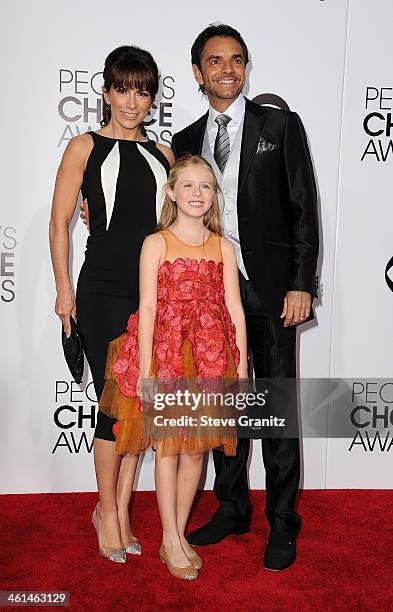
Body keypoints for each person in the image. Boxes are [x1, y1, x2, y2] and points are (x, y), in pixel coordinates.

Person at [171, 24, 319, 571]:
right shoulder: (185, 139)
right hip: (210, 294)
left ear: (246, 67)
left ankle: (283, 521)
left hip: (275, 290)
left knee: (277, 408)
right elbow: (174, 209)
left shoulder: (279, 125)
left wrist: (302, 282)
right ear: (197, 72)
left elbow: (304, 209)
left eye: (236, 59)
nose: (226, 69)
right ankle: (232, 507)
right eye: (214, 61)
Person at [49, 45, 174, 563]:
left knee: (139, 407)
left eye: (142, 91)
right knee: (109, 405)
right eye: (123, 89)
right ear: (105, 92)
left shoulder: (163, 155)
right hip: (100, 288)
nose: (132, 100)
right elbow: (59, 223)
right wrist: (63, 290)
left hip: (151, 294)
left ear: (152, 98)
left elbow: (177, 228)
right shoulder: (83, 147)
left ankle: (119, 509)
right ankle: (106, 509)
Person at [98, 154, 248, 579]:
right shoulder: (156, 243)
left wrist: (239, 367)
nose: (197, 194)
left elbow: (233, 310)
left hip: (211, 356)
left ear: (214, 195)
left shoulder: (223, 246)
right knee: (168, 447)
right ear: (171, 192)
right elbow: (146, 308)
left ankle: (179, 534)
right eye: (188, 185)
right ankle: (168, 538)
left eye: (205, 186)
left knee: (197, 448)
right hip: (166, 356)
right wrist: (146, 370)